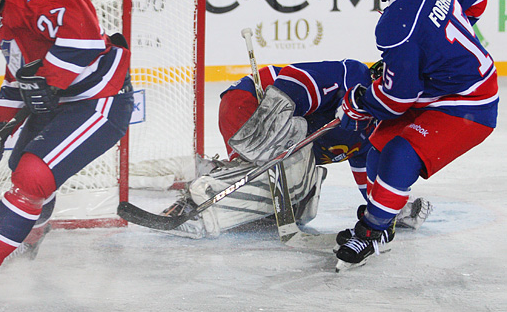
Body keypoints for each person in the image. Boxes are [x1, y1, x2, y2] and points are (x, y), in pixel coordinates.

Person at [0, 0, 134, 298]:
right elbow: (18, 80)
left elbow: (85, 42)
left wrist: (48, 82)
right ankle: (29, 236)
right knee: (21, 165)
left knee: (33, 173)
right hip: (62, 100)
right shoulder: (1, 22)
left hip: (100, 99)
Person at [336, 0, 498, 270]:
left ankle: (373, 230)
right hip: (442, 88)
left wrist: (361, 100)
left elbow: (397, 100)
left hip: (470, 101)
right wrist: (437, 49)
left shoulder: (397, 25)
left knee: (400, 151)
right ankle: (385, 216)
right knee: (377, 145)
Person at [160, 59, 431, 240]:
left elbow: (366, 175)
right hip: (249, 105)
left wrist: (384, 211)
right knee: (265, 180)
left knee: (299, 203)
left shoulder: (374, 131)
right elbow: (296, 77)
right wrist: (278, 121)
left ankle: (210, 171)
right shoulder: (352, 76)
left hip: (278, 136)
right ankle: (189, 208)